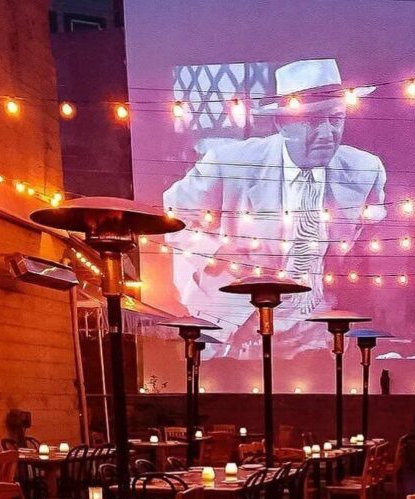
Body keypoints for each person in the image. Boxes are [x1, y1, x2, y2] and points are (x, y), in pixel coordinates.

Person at [163, 59, 387, 356]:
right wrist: (220, 252)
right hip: (238, 326)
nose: (326, 133)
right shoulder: (228, 163)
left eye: (335, 119)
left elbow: (363, 244)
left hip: (318, 329)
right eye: (312, 121)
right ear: (281, 123)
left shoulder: (365, 170)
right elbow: (171, 218)